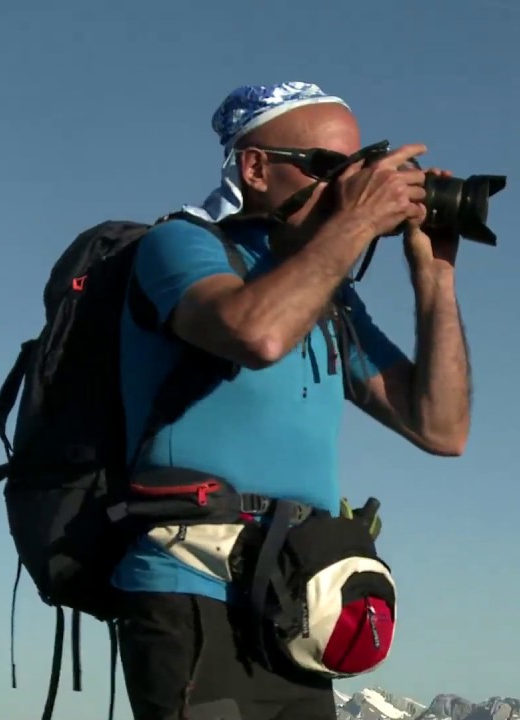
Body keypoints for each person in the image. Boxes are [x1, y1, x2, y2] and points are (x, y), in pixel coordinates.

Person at [113, 81, 473, 720]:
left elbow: (442, 427)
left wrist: (434, 276)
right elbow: (255, 333)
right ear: (255, 167)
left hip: (297, 599)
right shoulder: (184, 245)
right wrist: (357, 222)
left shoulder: (330, 296)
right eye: (331, 170)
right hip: (190, 589)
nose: (348, 191)